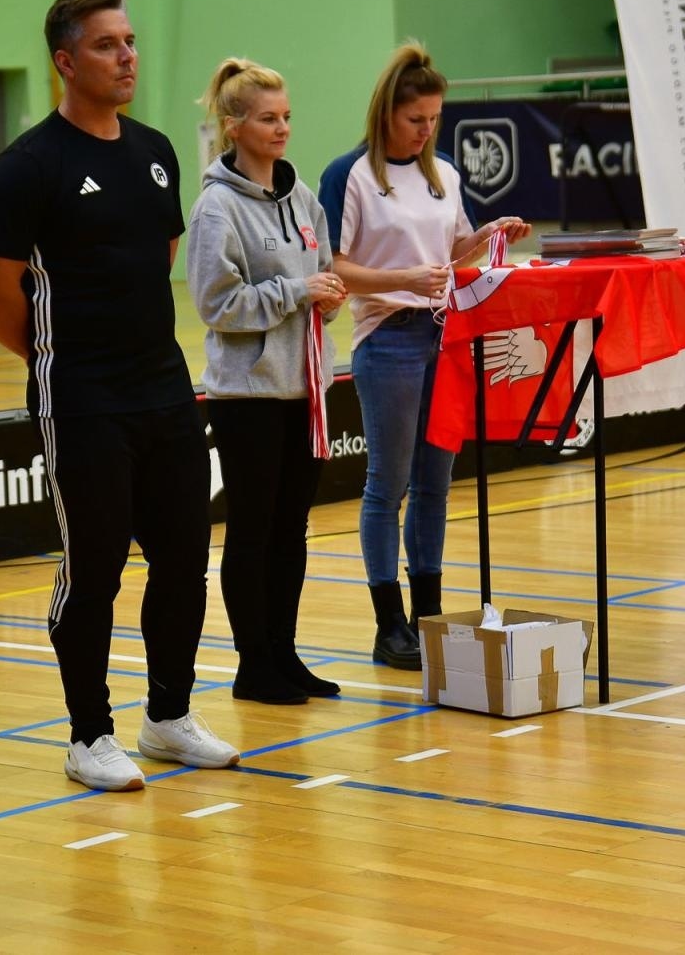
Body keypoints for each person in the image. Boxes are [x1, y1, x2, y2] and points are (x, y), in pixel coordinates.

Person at [0, 0, 239, 794]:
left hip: (164, 391)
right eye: (106, 45)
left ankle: (167, 716)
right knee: (93, 569)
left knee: (185, 559)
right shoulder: (28, 167)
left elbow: (152, 262)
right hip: (81, 400)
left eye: (130, 41)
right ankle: (89, 735)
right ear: (64, 61)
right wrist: (58, 356)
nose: (126, 56)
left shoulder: (155, 150)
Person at [318, 43, 530, 669]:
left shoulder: (443, 174)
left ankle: (426, 617)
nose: (427, 130)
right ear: (387, 114)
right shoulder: (349, 174)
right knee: (388, 484)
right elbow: (333, 267)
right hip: (387, 341)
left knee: (436, 484)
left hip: (443, 337)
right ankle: (389, 627)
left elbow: (453, 250)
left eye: (435, 119)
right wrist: (403, 279)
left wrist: (487, 236)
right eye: (417, 120)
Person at [186, 58, 346, 705]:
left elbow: (325, 267)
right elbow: (215, 305)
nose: (282, 129)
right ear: (233, 126)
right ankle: (254, 665)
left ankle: (285, 652)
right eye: (267, 118)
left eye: (286, 117)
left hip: (305, 389)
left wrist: (327, 295)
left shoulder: (301, 196)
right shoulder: (216, 209)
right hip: (246, 395)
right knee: (252, 530)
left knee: (292, 528)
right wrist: (294, 292)